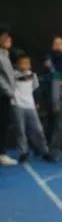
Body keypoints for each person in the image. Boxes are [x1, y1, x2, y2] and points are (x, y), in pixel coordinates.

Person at [11, 53, 51, 163]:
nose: (25, 65)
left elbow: (36, 90)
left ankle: (44, 151)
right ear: (17, 64)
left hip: (30, 106)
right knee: (21, 130)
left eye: (27, 63)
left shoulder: (33, 75)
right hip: (17, 105)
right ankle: (23, 152)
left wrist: (37, 102)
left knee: (38, 129)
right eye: (22, 63)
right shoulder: (13, 75)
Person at [0, 31, 16, 165]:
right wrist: (9, 90)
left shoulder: (6, 55)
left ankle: (2, 153)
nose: (8, 39)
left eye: (8, 37)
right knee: (2, 124)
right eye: (4, 37)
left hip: (6, 95)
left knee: (4, 124)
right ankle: (2, 154)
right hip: (2, 94)